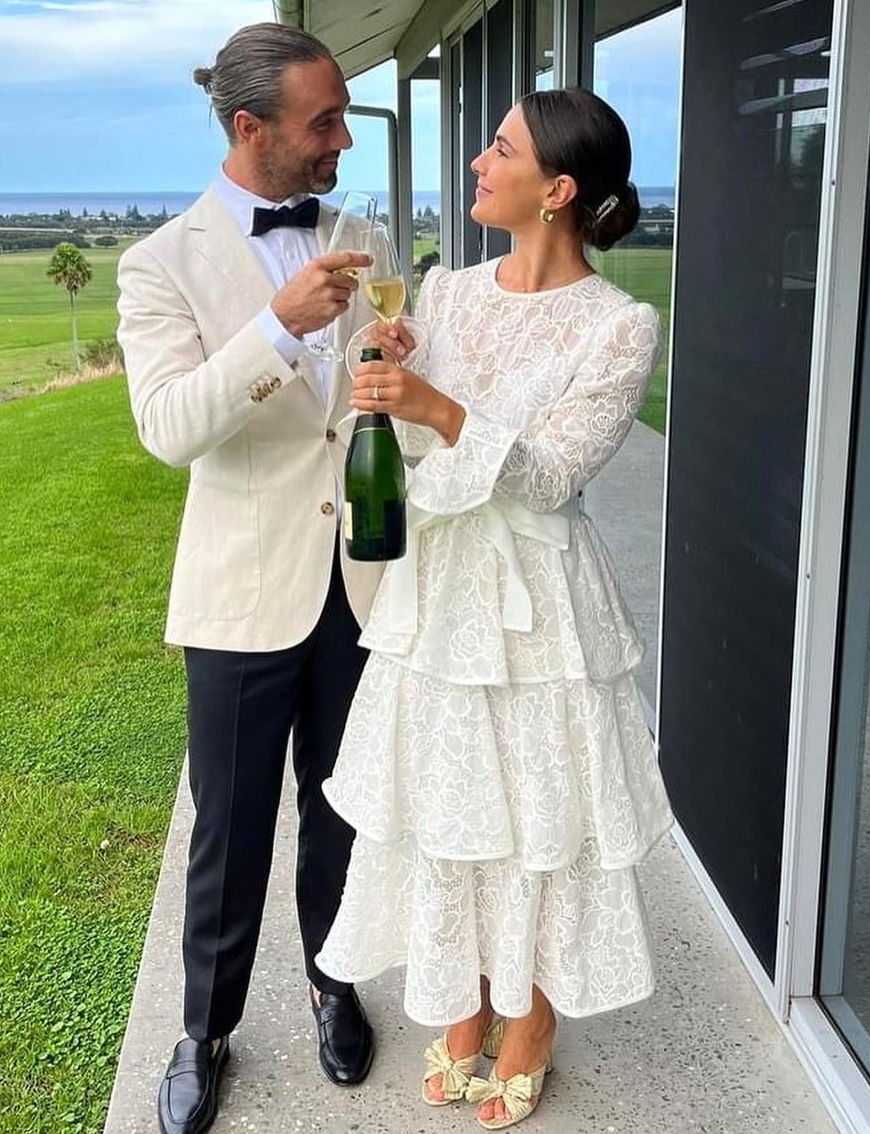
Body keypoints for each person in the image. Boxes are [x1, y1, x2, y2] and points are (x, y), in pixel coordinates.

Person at [314, 87, 675, 1130]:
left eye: (501, 148)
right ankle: (467, 1007)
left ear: (557, 191)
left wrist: (435, 407)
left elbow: (555, 477)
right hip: (440, 597)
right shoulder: (447, 291)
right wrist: (385, 381)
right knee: (449, 810)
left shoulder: (620, 327)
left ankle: (534, 1022)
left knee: (542, 819)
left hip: (543, 610)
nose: (478, 161)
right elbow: (412, 433)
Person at [115, 22, 384, 1134]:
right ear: (250, 128)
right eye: (324, 124)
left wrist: (390, 370)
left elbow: (364, 399)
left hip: (359, 582)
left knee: (341, 810)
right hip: (239, 591)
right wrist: (278, 326)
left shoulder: (360, 234)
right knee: (230, 828)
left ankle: (333, 981)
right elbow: (171, 428)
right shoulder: (159, 264)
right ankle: (205, 1030)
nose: (340, 146)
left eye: (342, 122)